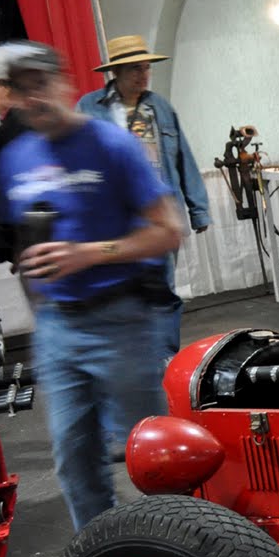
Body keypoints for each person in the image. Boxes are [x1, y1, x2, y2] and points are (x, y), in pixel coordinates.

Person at [0, 41, 184, 531]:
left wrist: (90, 253)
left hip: (121, 319)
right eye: (21, 89)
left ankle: (183, 547)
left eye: (41, 85)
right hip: (58, 328)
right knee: (75, 463)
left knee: (152, 454)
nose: (34, 99)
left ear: (63, 82)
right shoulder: (16, 159)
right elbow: (25, 241)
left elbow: (167, 229)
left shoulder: (111, 146)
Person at [76, 34, 211, 354]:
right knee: (119, 288)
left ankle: (165, 357)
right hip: (114, 216)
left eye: (146, 67)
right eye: (135, 68)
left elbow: (183, 158)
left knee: (162, 288)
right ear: (116, 73)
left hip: (159, 212)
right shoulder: (89, 108)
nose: (143, 74)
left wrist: (198, 209)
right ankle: (133, 356)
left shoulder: (160, 107)